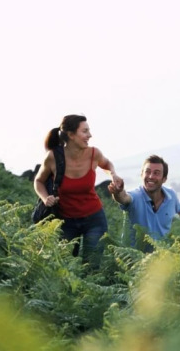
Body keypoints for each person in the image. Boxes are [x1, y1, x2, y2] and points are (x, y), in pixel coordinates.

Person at [34, 114, 123, 269]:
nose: (90, 135)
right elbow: (39, 181)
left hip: (94, 219)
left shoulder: (94, 153)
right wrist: (45, 198)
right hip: (65, 221)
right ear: (71, 135)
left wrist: (113, 174)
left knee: (91, 267)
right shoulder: (53, 157)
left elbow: (107, 164)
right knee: (66, 267)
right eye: (85, 131)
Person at [108, 154, 180, 249]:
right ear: (142, 175)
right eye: (147, 172)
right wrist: (118, 192)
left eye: (156, 173)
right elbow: (123, 198)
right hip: (133, 257)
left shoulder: (171, 196)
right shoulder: (135, 196)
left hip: (160, 257)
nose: (151, 176)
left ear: (164, 179)